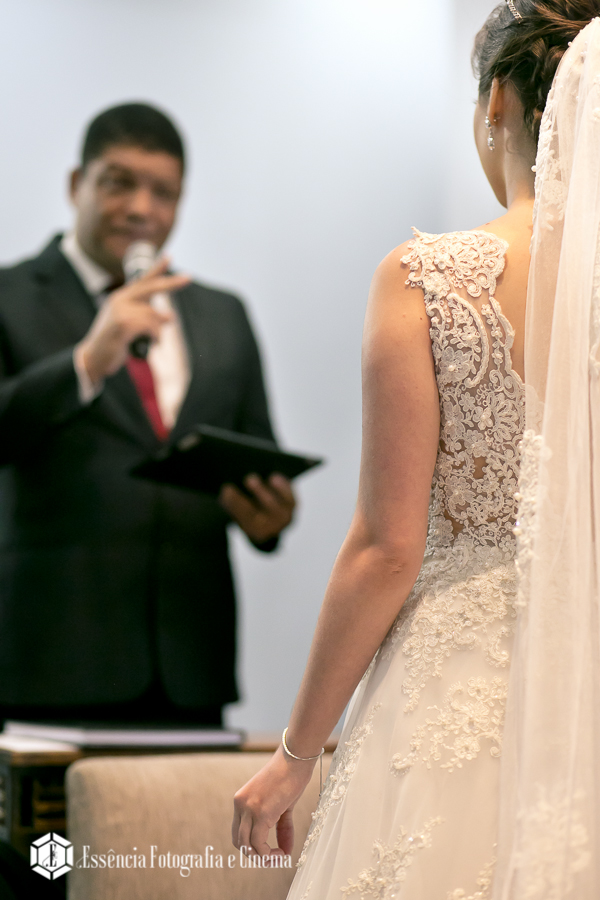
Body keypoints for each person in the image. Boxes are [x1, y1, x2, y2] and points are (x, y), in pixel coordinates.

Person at [233, 2, 600, 896]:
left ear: (497, 102)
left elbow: (385, 548)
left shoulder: (428, 281)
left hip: (457, 687)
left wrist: (294, 753)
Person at [0, 102, 296, 727]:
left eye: (164, 192)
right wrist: (87, 361)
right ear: (76, 185)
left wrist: (267, 518)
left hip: (190, 670)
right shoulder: (9, 297)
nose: (142, 208)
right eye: (118, 183)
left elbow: (255, 454)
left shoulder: (223, 315)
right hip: (51, 664)